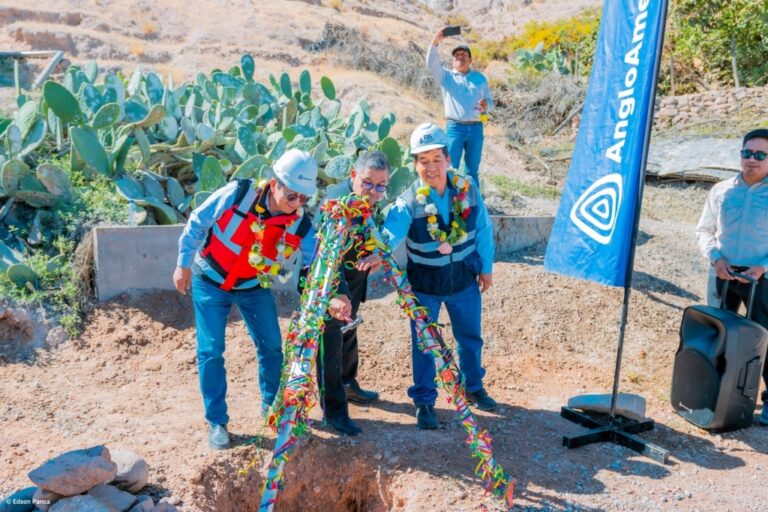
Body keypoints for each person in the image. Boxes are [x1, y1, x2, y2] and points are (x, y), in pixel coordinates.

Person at [174, 149, 351, 449]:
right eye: (292, 195)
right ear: (274, 183)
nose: (297, 204)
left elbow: (317, 262)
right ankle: (217, 421)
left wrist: (333, 294)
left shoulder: (299, 223)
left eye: (304, 199)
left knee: (271, 347)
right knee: (211, 351)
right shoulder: (237, 194)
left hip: (253, 286)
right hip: (210, 280)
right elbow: (198, 221)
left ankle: (273, 409)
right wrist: (183, 263)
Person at [381, 123, 497, 430]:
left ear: (448, 159)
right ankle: (424, 401)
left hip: (464, 281)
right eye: (423, 160)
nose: (431, 167)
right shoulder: (408, 201)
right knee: (424, 344)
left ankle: (473, 386)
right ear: (415, 164)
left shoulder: (469, 190)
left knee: (470, 338)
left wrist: (486, 268)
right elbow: (390, 234)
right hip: (425, 286)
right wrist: (375, 251)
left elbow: (483, 229)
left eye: (436, 158)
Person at [313, 150, 391, 435]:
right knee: (330, 344)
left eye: (381, 186)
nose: (373, 191)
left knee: (348, 333)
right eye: (368, 183)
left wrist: (377, 254)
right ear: (353, 176)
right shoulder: (335, 204)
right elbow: (325, 257)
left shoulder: (366, 203)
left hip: (354, 280)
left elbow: (371, 234)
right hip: (329, 285)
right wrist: (338, 293)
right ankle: (333, 413)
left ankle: (348, 385)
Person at [695, 128, 768, 427]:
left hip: (761, 280)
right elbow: (704, 230)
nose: (751, 159)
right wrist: (716, 258)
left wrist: (763, 267)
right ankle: (713, 395)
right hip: (723, 275)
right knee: (717, 337)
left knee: (765, 341)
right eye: (747, 153)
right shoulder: (721, 190)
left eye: (760, 155)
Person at [427, 27, 493, 185]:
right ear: (452, 61)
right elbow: (431, 64)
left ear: (470, 60)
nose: (460, 57)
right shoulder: (446, 77)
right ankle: (449, 202)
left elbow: (489, 101)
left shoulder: (480, 78)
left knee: (472, 171)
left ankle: (472, 204)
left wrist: (486, 105)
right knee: (450, 168)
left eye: (464, 55)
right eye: (457, 55)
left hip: (477, 128)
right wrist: (435, 41)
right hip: (455, 128)